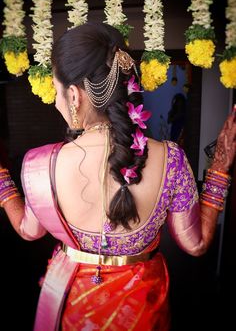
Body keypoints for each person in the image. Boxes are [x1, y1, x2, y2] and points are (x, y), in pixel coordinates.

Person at [0, 22, 235, 331]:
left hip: (77, 308)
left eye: (57, 91)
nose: (56, 101)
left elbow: (29, 231)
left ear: (73, 95)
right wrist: (219, 167)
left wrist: (2, 176)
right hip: (143, 309)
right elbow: (197, 244)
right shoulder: (173, 159)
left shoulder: (39, 164)